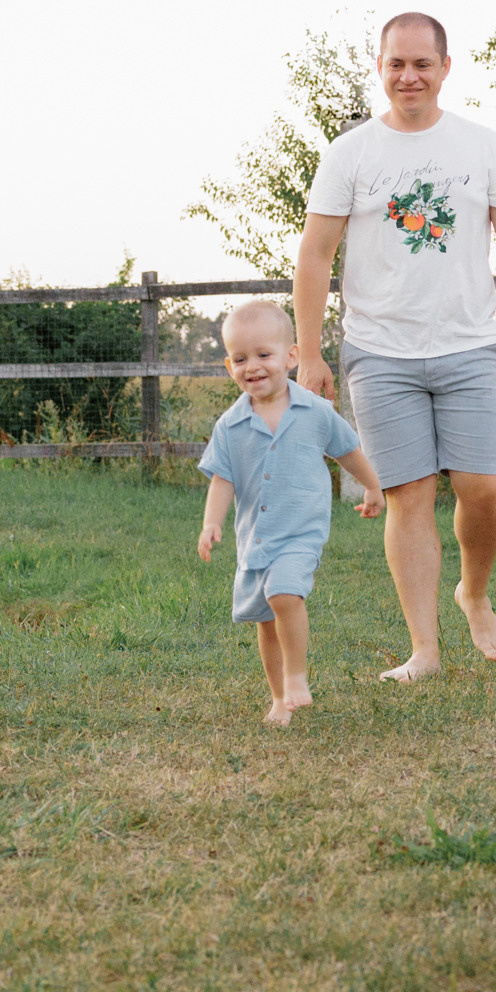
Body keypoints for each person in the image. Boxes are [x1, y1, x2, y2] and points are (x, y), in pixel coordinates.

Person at [293, 11, 496, 683]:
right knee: (407, 496)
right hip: (379, 351)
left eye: (421, 64)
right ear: (380, 68)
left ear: (444, 69)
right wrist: (310, 353)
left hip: (470, 346)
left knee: (483, 488)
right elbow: (315, 257)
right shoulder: (350, 154)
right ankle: (425, 652)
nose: (409, 76)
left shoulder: (483, 148)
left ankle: (474, 591)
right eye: (396, 64)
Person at [197, 300, 385, 725]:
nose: (253, 366)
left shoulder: (315, 411)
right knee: (265, 620)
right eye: (241, 359)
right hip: (255, 539)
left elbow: (348, 450)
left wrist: (373, 486)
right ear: (230, 366)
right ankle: (280, 698)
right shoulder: (230, 425)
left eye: (264, 355)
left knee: (283, 594)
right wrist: (212, 522)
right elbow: (221, 479)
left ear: (291, 356)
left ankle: (298, 678)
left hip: (301, 532)